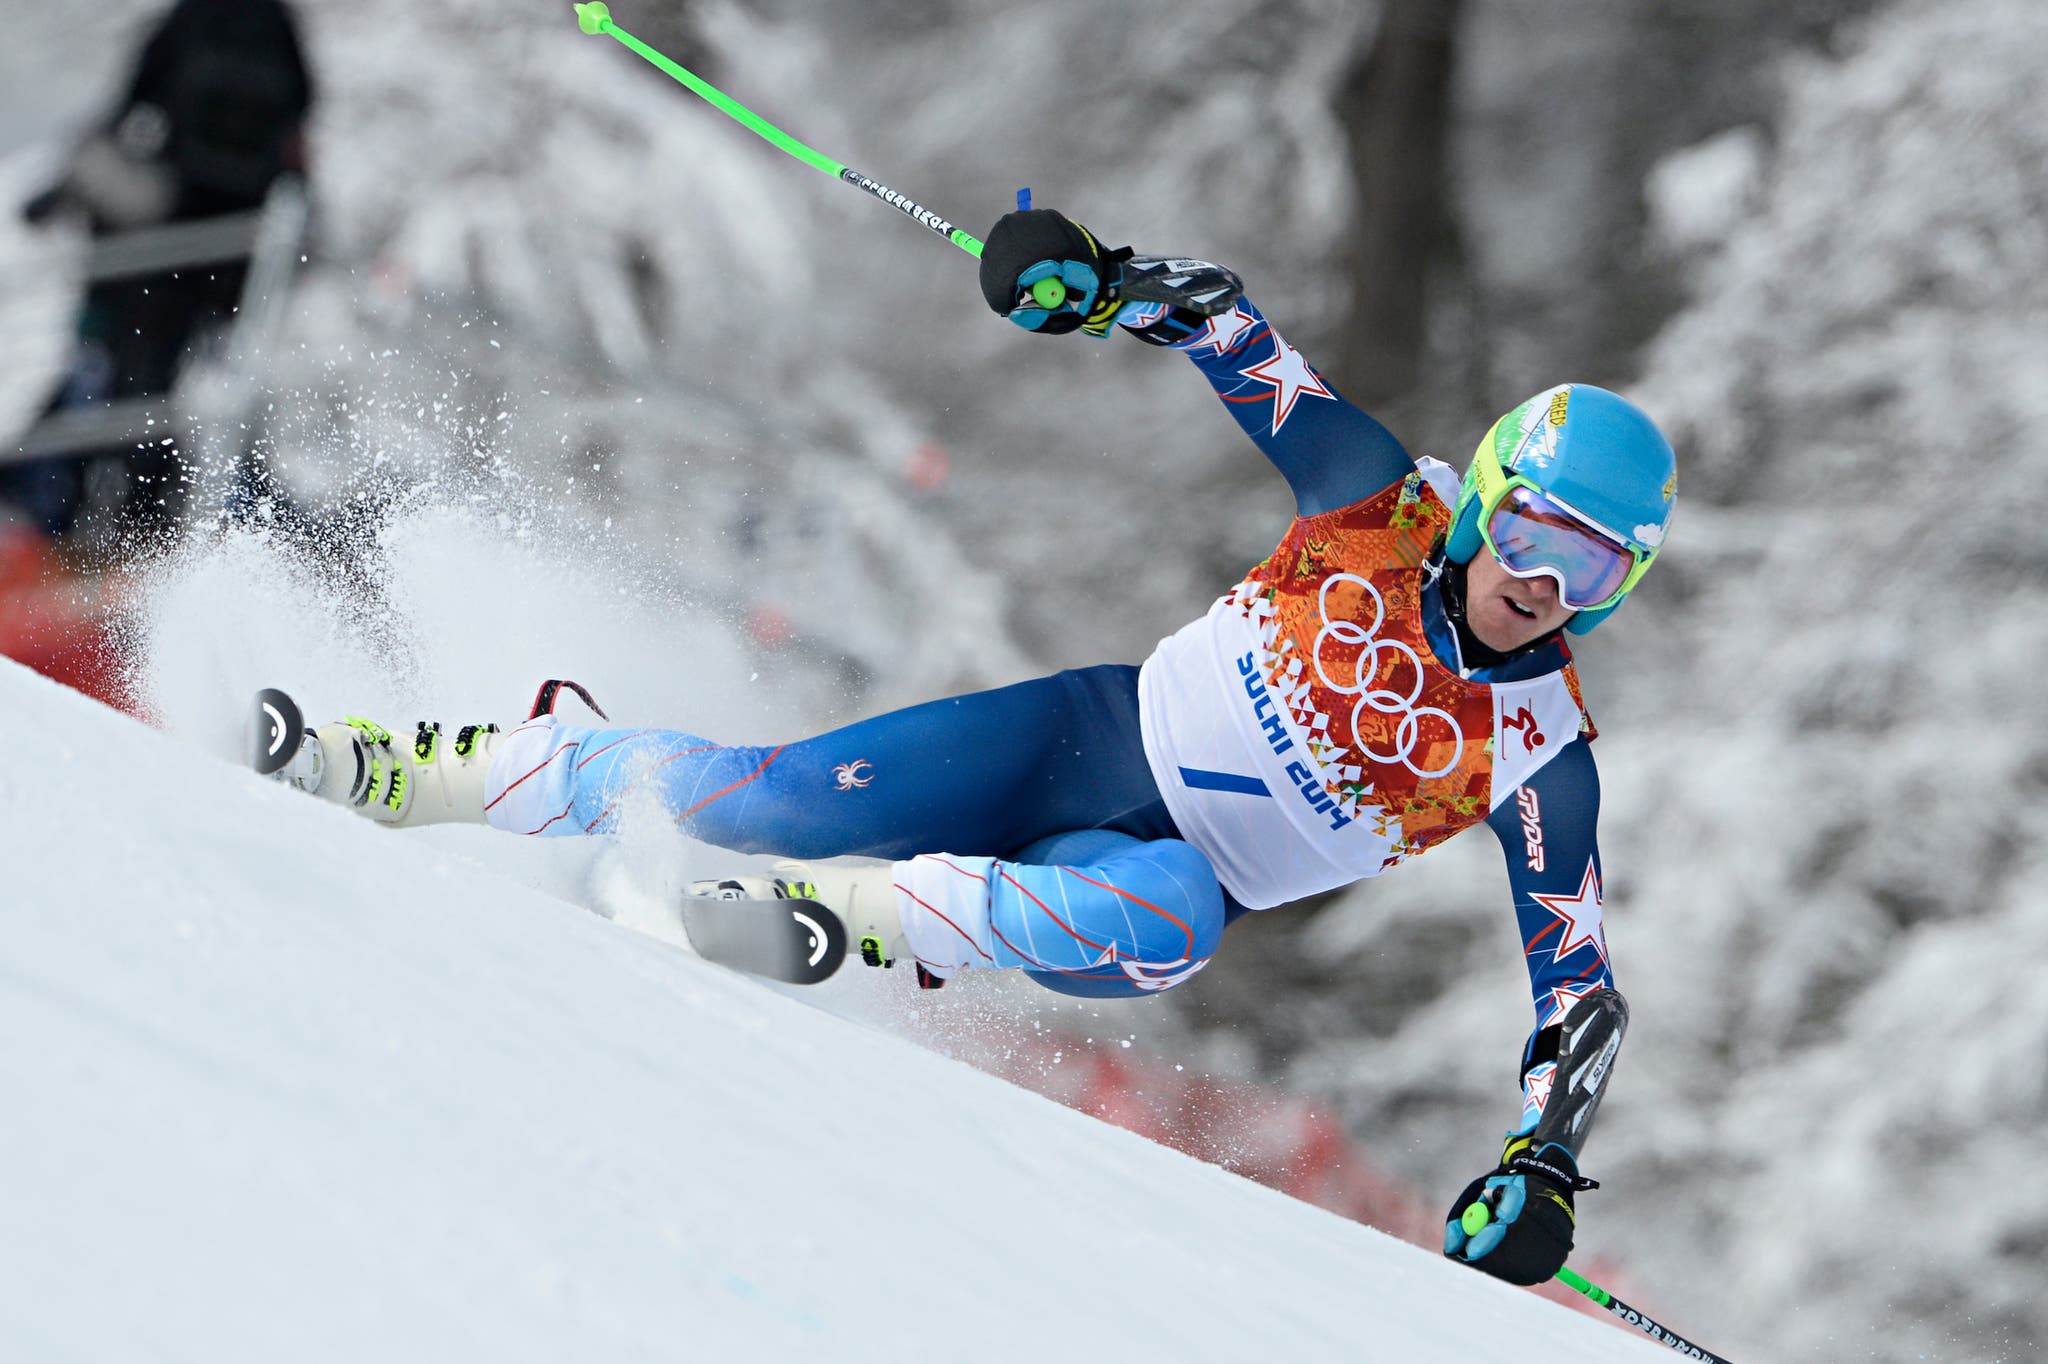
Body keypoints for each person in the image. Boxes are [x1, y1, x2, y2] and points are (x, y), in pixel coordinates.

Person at [274, 209, 1676, 1287]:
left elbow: (1578, 988)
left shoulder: (1540, 752)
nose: (1549, 582)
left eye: (1596, 570)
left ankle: (834, 928)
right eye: (1539, 533)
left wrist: (1541, 1164)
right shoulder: (1374, 502)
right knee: (767, 803)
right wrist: (1087, 276)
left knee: (1170, 917)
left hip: (1139, 877)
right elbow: (1228, 331)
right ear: (1489, 499)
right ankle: (442, 769)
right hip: (1075, 740)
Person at [2, 0, 315, 536]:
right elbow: (302, 121)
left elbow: (132, 103)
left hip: (162, 245)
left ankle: (60, 524)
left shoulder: (189, 21)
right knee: (169, 390)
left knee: (121, 381)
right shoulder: (278, 27)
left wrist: (67, 192)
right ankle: (145, 526)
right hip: (233, 253)